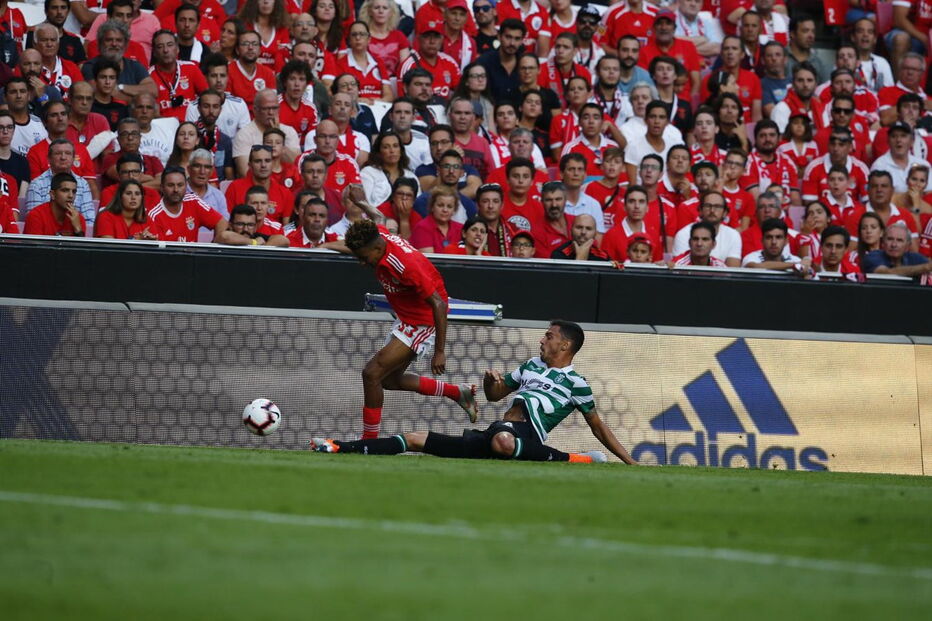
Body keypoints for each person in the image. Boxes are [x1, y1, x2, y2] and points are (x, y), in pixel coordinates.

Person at [309, 320, 638, 465]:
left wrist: (630, 461)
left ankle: (578, 459)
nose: (542, 339)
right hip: (497, 431)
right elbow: (495, 396)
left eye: (549, 336)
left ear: (565, 345)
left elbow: (598, 426)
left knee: (504, 441)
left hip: (524, 435)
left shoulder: (576, 383)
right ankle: (339, 447)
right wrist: (489, 382)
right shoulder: (531, 366)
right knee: (415, 439)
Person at [327, 217, 477, 439]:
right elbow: (375, 219)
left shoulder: (405, 265)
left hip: (423, 319)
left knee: (371, 374)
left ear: (377, 249)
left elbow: (438, 304)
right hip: (407, 316)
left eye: (364, 258)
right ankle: (457, 392)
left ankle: (369, 442)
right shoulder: (377, 237)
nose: (362, 263)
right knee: (388, 380)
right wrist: (327, 244)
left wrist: (439, 351)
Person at [149, 166, 233, 243]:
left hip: (194, 254)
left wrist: (214, 247)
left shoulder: (193, 201)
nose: (176, 190)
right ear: (162, 188)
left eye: (180, 185)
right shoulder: (154, 215)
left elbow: (221, 222)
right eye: (170, 185)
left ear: (186, 186)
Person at [232, 88, 300, 177]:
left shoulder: (289, 132)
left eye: (274, 108)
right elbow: (245, 172)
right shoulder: (244, 135)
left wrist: (277, 134)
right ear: (255, 110)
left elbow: (297, 164)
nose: (271, 113)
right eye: (266, 108)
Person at [25, 139, 95, 224]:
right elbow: (34, 220)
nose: (63, 157)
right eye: (58, 153)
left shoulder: (83, 184)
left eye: (68, 153)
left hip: (75, 231)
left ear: (73, 158)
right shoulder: (37, 184)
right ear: (49, 158)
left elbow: (89, 221)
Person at [672, 191, 741, 266]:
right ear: (700, 210)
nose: (712, 210)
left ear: (725, 213)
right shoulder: (684, 234)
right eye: (708, 206)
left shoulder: (733, 235)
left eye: (717, 206)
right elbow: (679, 268)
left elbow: (732, 270)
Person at [870, 122, 932, 194]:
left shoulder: (923, 165)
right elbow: (877, 196)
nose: (898, 140)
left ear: (912, 141)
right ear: (888, 141)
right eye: (894, 136)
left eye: (903, 136)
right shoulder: (879, 166)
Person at [475, 18, 524, 104]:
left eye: (517, 39)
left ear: (521, 41)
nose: (512, 43)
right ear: (499, 37)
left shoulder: (525, 64)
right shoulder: (484, 62)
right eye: (508, 37)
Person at [94, 178, 161, 240]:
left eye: (137, 194)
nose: (133, 197)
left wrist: (151, 241)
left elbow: (156, 245)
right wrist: (137, 241)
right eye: (128, 193)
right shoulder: (105, 216)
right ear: (120, 197)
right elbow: (108, 247)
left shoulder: (146, 220)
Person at [227, 30, 277, 109]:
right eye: (245, 44)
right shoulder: (228, 71)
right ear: (237, 50)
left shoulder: (268, 73)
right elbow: (227, 104)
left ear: (260, 50)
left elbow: (272, 104)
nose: (250, 47)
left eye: (255, 44)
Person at [359, 0, 409, 78]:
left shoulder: (399, 36)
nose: (381, 11)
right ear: (369, 11)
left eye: (385, 8)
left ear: (391, 12)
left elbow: (405, 66)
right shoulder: (362, 36)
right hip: (369, 81)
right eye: (376, 8)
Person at [862, 221, 931, 277]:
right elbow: (886, 273)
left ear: (907, 246)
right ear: (882, 243)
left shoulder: (915, 258)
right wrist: (926, 268)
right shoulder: (872, 256)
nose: (894, 244)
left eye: (899, 240)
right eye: (890, 239)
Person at [410, 186, 463, 253]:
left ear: (454, 210)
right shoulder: (422, 227)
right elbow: (429, 258)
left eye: (449, 207)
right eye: (440, 205)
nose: (445, 210)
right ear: (432, 207)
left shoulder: (461, 228)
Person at [221, 203, 290, 247]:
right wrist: (254, 243)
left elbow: (283, 240)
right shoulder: (256, 241)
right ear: (230, 225)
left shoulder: (257, 237)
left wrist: (261, 250)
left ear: (255, 227)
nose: (245, 229)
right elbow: (225, 236)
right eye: (240, 224)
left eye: (250, 225)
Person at [186, 148, 227, 217]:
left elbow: (225, 222)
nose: (202, 171)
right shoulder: (178, 192)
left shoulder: (218, 196)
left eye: (207, 167)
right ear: (189, 169)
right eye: (197, 166)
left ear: (212, 171)